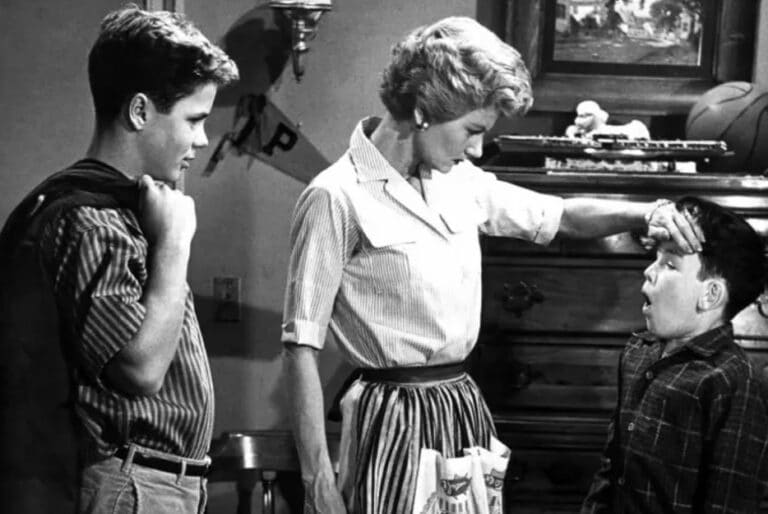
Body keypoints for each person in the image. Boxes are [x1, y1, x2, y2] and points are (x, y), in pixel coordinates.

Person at [280, 16, 703, 514]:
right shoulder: (336, 196)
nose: (478, 149)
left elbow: (559, 216)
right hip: (390, 418)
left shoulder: (458, 180)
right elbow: (300, 347)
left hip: (461, 406)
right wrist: (317, 479)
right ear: (424, 110)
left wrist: (646, 212)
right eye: (473, 131)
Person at [0, 5, 238, 514]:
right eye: (194, 120)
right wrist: (174, 245)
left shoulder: (124, 210)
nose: (202, 139)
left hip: (153, 485)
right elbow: (141, 370)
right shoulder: (92, 221)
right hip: (131, 487)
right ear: (139, 111)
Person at [581, 196, 768, 514]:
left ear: (710, 295)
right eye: (655, 258)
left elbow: (729, 500)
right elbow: (613, 464)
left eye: (669, 264)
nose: (649, 272)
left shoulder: (731, 380)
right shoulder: (638, 352)